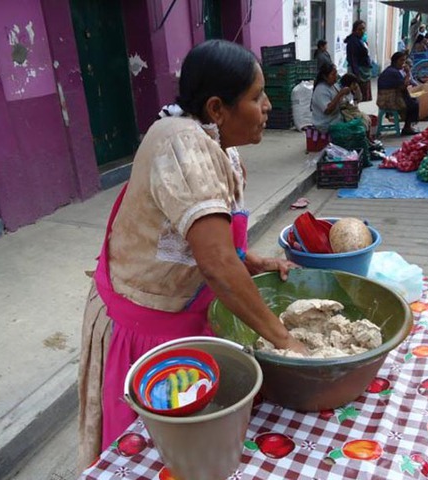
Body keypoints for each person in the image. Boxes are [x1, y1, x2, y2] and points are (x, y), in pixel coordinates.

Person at [77, 39, 307, 471]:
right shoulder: (184, 145)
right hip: (146, 327)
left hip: (183, 315)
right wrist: (286, 341)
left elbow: (209, 242)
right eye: (257, 97)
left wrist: (250, 260)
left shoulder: (217, 143)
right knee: (157, 457)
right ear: (217, 108)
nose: (268, 105)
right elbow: (216, 265)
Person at [377, 51, 420, 135]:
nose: (403, 63)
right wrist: (407, 73)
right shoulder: (393, 72)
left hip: (390, 96)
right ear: (395, 61)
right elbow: (403, 87)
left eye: (404, 61)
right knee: (414, 104)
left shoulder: (393, 70)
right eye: (401, 61)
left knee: (412, 99)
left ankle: (408, 126)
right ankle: (407, 127)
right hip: (389, 99)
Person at [344, 20, 372, 102]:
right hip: (358, 71)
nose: (362, 31)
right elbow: (353, 59)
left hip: (364, 71)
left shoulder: (361, 40)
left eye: (363, 29)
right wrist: (357, 75)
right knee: (356, 95)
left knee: (360, 96)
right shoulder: (353, 41)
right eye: (359, 29)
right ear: (354, 30)